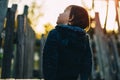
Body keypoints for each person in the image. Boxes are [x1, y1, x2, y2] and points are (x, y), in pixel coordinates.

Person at [42, 5, 93, 80]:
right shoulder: (84, 38)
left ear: (71, 18)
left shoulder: (55, 34)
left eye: (64, 11)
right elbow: (87, 65)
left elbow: (49, 62)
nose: (60, 13)